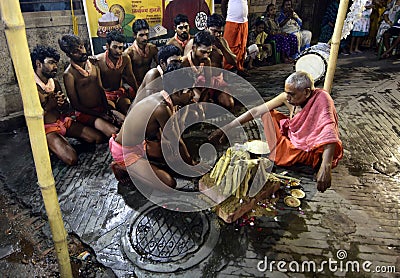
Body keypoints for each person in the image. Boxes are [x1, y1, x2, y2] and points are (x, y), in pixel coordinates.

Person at [209, 71, 343, 193]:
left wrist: (326, 166)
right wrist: (227, 127)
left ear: (307, 92)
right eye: (287, 93)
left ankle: (304, 162)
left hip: (308, 148)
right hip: (293, 138)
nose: (288, 98)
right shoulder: (288, 96)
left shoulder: (322, 99)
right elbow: (257, 110)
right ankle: (284, 154)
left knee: (322, 150)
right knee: (268, 114)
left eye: (292, 94)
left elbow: (329, 132)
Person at [109, 64, 198, 190]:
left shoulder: (164, 98)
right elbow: (176, 140)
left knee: (172, 156)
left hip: (140, 145)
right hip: (125, 152)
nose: (193, 95)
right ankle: (121, 166)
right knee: (169, 183)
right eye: (190, 91)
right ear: (177, 91)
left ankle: (144, 163)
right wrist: (192, 166)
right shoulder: (161, 108)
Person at [31, 45, 103, 165]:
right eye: (51, 63)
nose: (55, 67)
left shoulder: (54, 82)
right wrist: (50, 105)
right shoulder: (31, 87)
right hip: (47, 129)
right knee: (71, 159)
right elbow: (34, 117)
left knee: (97, 138)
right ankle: (54, 145)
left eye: (56, 63)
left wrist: (63, 104)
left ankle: (64, 143)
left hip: (62, 121)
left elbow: (64, 109)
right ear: (38, 64)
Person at [58, 34, 123, 138]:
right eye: (76, 51)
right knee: (114, 132)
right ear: (68, 55)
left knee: (124, 122)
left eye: (81, 47)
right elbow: (75, 105)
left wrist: (107, 110)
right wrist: (101, 115)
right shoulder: (69, 74)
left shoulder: (93, 65)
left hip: (101, 109)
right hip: (85, 113)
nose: (82, 52)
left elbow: (101, 89)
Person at [184, 13, 236, 111]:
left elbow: (234, 62)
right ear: (206, 27)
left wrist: (222, 48)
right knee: (199, 109)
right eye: (214, 31)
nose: (217, 34)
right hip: (199, 83)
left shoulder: (222, 41)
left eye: (220, 32)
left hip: (217, 83)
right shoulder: (194, 43)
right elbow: (187, 66)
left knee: (229, 104)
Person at [94, 30, 138, 115]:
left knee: (128, 111)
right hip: (106, 95)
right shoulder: (99, 60)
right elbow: (97, 85)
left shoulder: (125, 58)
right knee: (112, 113)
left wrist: (138, 92)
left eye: (121, 47)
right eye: (115, 47)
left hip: (120, 92)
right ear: (107, 46)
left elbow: (130, 77)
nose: (118, 51)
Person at [125, 19, 158, 85]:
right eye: (141, 35)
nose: (145, 38)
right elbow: (126, 75)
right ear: (134, 35)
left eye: (147, 34)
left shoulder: (152, 48)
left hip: (149, 82)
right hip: (134, 84)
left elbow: (161, 65)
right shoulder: (129, 52)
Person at [221, 0, 250, 77]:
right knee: (230, 46)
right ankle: (228, 69)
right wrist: (226, 18)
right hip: (232, 21)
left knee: (242, 47)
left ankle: (239, 67)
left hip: (244, 21)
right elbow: (223, 3)